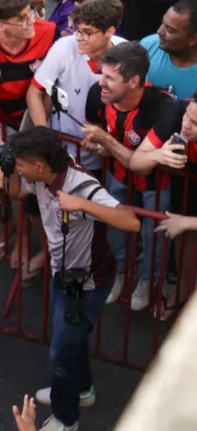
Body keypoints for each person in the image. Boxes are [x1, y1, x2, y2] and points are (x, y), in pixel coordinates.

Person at [0, 126, 140, 431]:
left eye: (21, 163)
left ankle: (65, 418)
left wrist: (83, 206)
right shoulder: (43, 175)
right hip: (62, 274)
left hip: (87, 284)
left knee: (61, 352)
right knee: (72, 341)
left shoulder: (82, 184)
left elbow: (131, 221)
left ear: (41, 166)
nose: (19, 168)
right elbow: (16, 193)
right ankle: (83, 389)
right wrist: (6, 170)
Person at [0, 0, 59, 275]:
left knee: (38, 186)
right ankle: (8, 230)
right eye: (21, 18)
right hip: (0, 116)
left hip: (36, 117)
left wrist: (40, 137)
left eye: (30, 11)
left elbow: (46, 90)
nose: (31, 19)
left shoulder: (50, 32)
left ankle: (33, 244)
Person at [83, 41, 174, 311]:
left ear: (134, 81)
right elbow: (94, 127)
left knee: (153, 233)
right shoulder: (96, 94)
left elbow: (142, 165)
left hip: (155, 182)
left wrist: (105, 142)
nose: (101, 83)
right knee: (114, 226)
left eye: (110, 77)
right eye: (102, 74)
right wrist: (95, 142)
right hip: (116, 174)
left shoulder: (161, 107)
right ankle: (120, 273)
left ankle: (147, 279)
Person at [27, 0, 125, 178]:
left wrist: (105, 140)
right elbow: (34, 92)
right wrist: (44, 137)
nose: (78, 37)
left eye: (87, 32)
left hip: (109, 156)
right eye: (77, 29)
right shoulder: (63, 47)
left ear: (109, 31)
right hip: (65, 150)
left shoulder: (127, 52)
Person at [130, 95, 197, 322]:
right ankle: (183, 289)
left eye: (195, 123)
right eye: (188, 115)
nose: (186, 125)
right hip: (190, 186)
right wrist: (158, 155)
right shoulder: (179, 113)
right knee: (185, 239)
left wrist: (185, 222)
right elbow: (136, 162)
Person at [140, 0, 197, 101]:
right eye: (163, 23)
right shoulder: (147, 47)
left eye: (170, 30)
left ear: (193, 39)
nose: (160, 31)